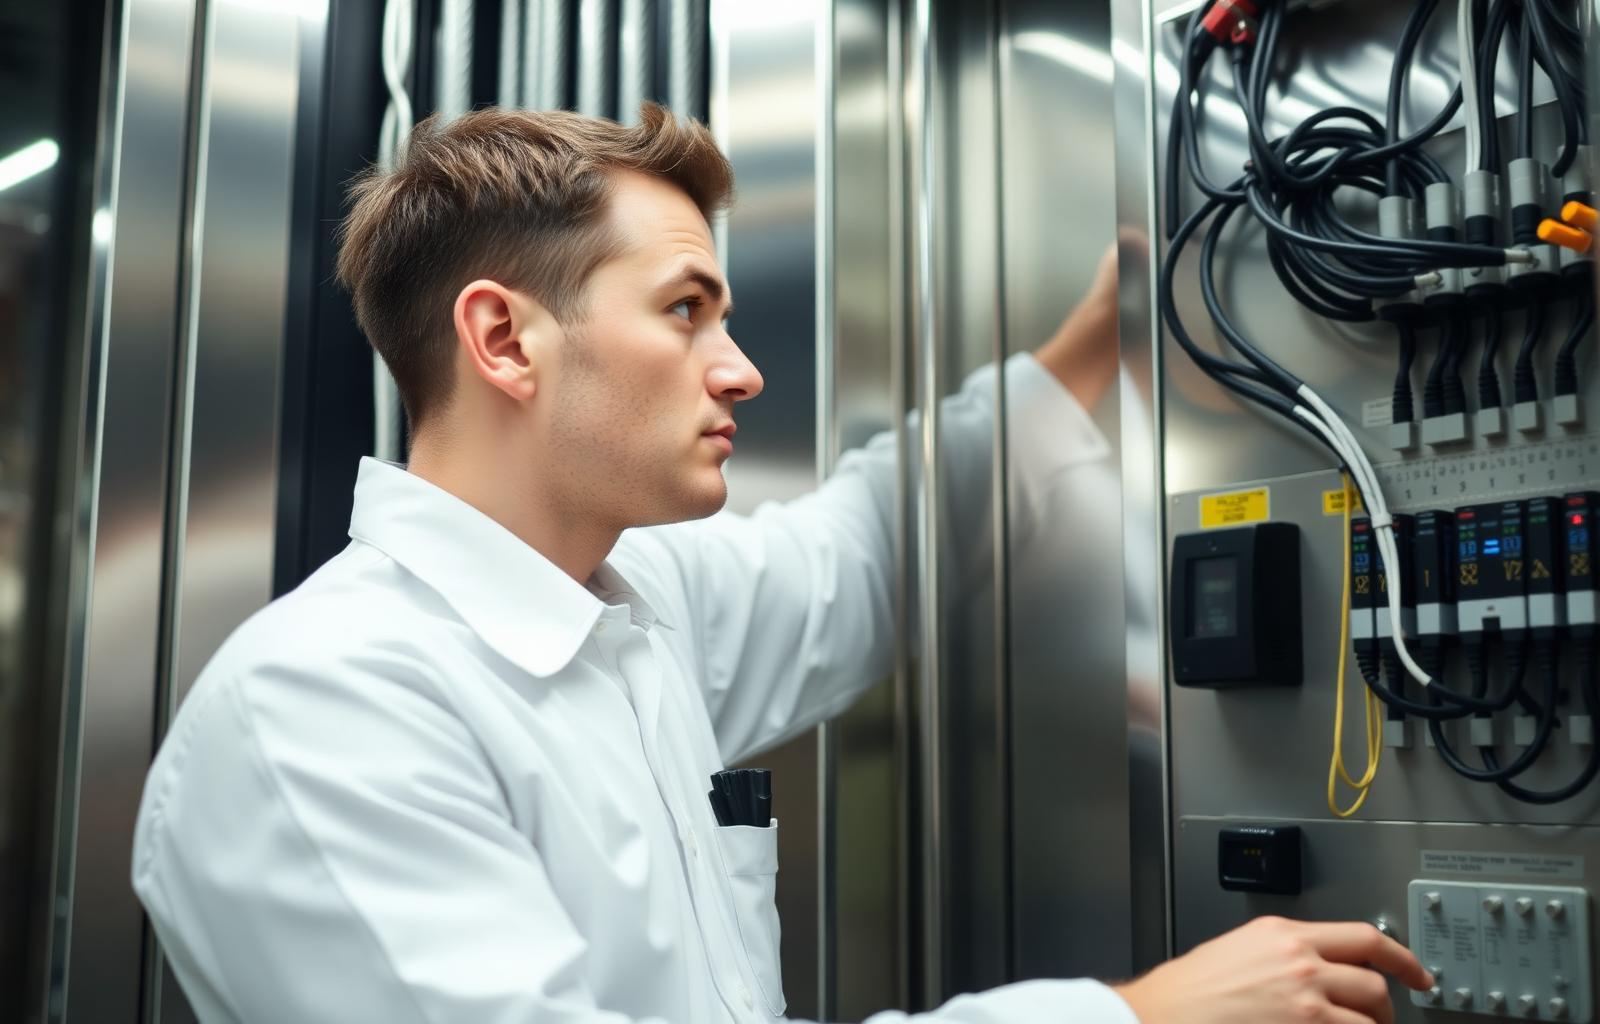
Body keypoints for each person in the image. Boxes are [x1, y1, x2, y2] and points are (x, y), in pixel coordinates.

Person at [132, 103, 1432, 1023]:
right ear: (506, 342)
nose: (739, 370)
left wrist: (1098, 339)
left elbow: (876, 543)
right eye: (686, 311)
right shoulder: (323, 712)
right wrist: (1127, 1018)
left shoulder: (641, 610)